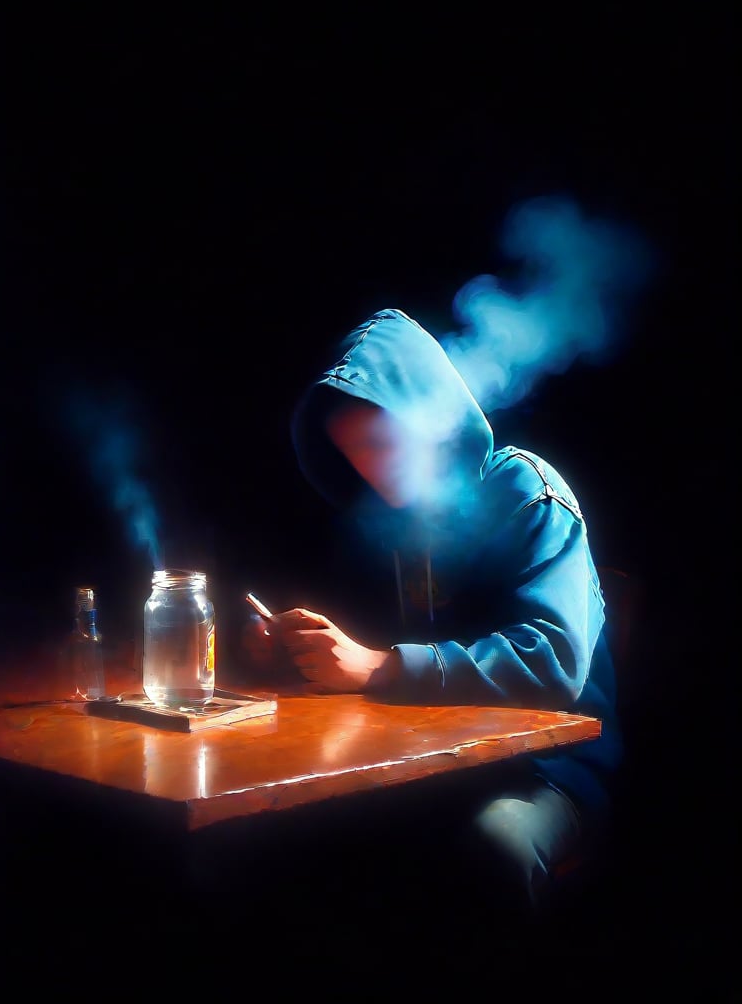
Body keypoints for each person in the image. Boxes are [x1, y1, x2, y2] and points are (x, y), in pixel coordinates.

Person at [240, 306, 622, 948]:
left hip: (550, 772)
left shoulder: (528, 495)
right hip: (433, 765)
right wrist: (297, 651)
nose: (374, 470)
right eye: (355, 453)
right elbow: (366, 645)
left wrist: (380, 666)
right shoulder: (396, 527)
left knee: (490, 849)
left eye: (384, 442)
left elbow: (553, 660)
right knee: (292, 843)